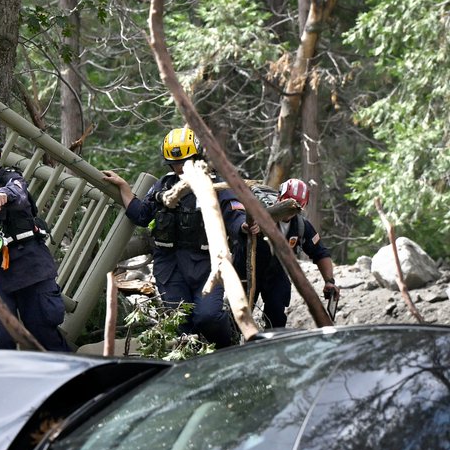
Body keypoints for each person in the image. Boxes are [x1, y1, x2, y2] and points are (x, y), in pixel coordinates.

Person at [101, 126, 248, 348]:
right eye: (176, 163)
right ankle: (192, 359)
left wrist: (245, 226)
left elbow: (235, 215)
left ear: (196, 157)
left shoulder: (216, 185)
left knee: (208, 316)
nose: (180, 167)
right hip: (169, 267)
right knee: (180, 323)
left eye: (185, 161)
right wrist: (124, 187)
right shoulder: (164, 185)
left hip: (206, 266)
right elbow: (142, 215)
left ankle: (228, 346)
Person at [0, 128, 68, 351]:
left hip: (30, 271)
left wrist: (3, 195)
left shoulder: (12, 180)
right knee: (1, 339)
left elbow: (18, 193)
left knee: (44, 335)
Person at [239, 178, 339, 328]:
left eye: (296, 207)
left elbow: (321, 253)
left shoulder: (301, 226)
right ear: (279, 198)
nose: (290, 211)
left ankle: (274, 347)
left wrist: (329, 282)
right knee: (238, 318)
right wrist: (246, 227)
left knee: (277, 316)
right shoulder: (259, 212)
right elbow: (237, 223)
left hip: (276, 274)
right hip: (248, 271)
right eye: (287, 203)